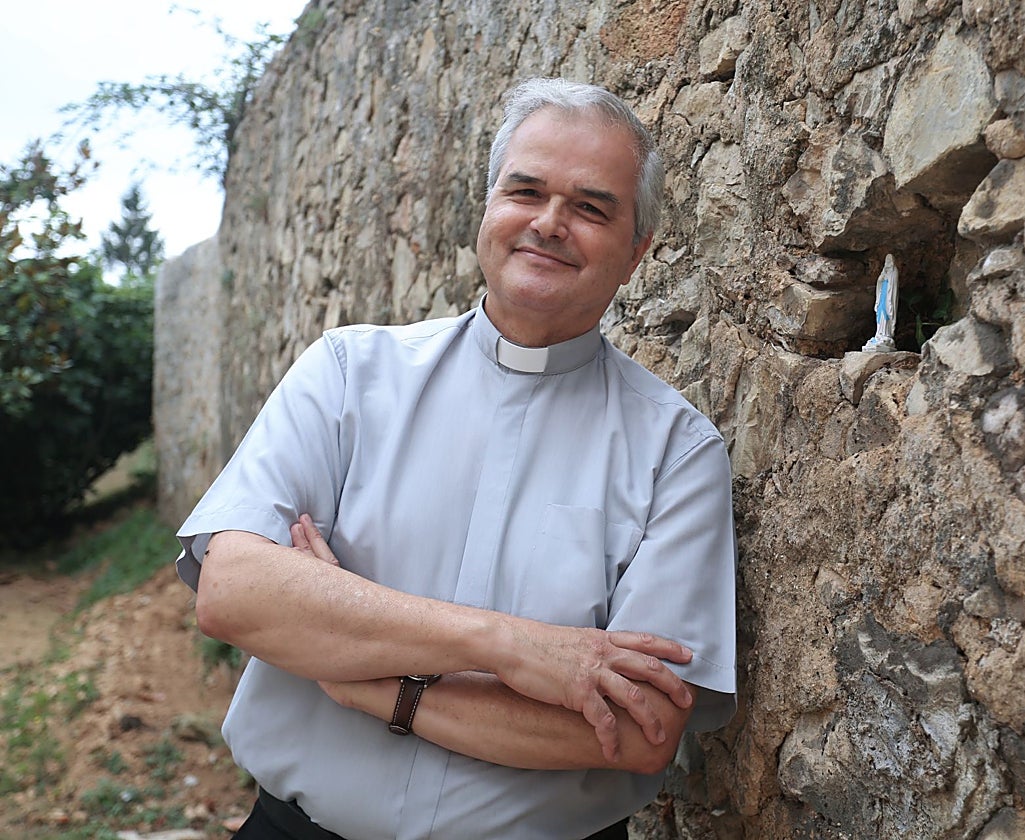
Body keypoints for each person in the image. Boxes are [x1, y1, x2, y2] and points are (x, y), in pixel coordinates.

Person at [175, 77, 737, 840]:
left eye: (591, 206)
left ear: (638, 252)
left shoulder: (678, 452)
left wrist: (360, 679)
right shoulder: (347, 373)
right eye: (525, 191)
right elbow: (233, 591)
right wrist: (511, 647)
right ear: (488, 210)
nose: (548, 223)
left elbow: (638, 733)